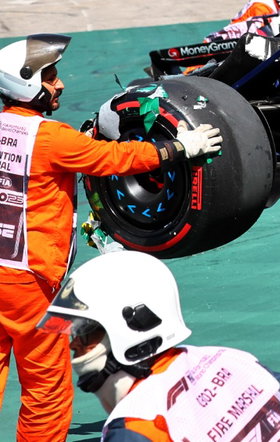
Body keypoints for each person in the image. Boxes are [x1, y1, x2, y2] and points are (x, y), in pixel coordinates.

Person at [0, 34, 222, 442]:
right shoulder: (49, 138)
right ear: (27, 82)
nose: (60, 84)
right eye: (50, 76)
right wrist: (177, 149)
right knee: (46, 388)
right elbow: (112, 160)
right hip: (30, 281)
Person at [39, 250, 280, 442]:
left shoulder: (138, 425)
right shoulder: (230, 361)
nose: (74, 347)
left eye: (85, 334)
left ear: (129, 328)